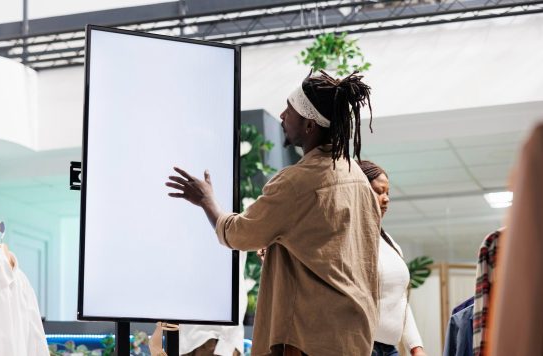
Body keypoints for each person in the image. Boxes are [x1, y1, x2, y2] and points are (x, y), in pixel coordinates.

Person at [166, 71, 381, 355]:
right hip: (354, 335)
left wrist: (207, 201)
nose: (282, 116)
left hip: (307, 338)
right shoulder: (357, 178)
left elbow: (238, 234)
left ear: (309, 125)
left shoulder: (297, 181)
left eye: (289, 111)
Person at [358, 160, 427, 356]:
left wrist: (416, 346)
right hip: (362, 346)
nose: (386, 199)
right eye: (378, 192)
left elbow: (401, 300)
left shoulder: (391, 244)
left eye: (387, 193)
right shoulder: (349, 242)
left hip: (389, 348)